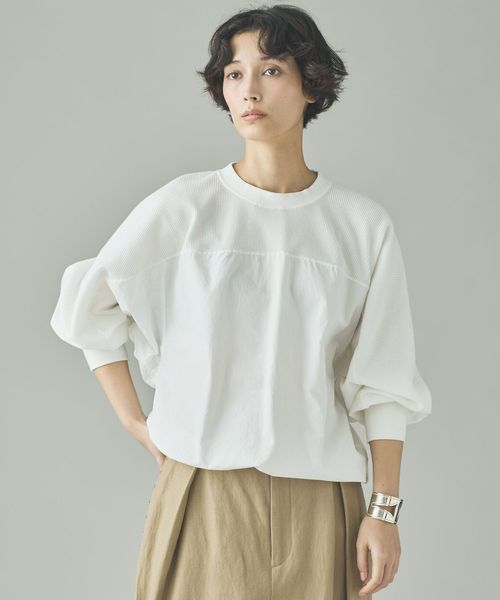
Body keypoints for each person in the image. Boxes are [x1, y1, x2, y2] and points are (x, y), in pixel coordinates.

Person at [50, 4, 432, 599]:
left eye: (271, 70)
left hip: (321, 501)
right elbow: (90, 307)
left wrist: (384, 511)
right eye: (234, 73)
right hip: (204, 494)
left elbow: (384, 384)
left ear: (312, 84)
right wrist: (134, 422)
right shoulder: (185, 208)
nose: (249, 90)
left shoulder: (361, 227)